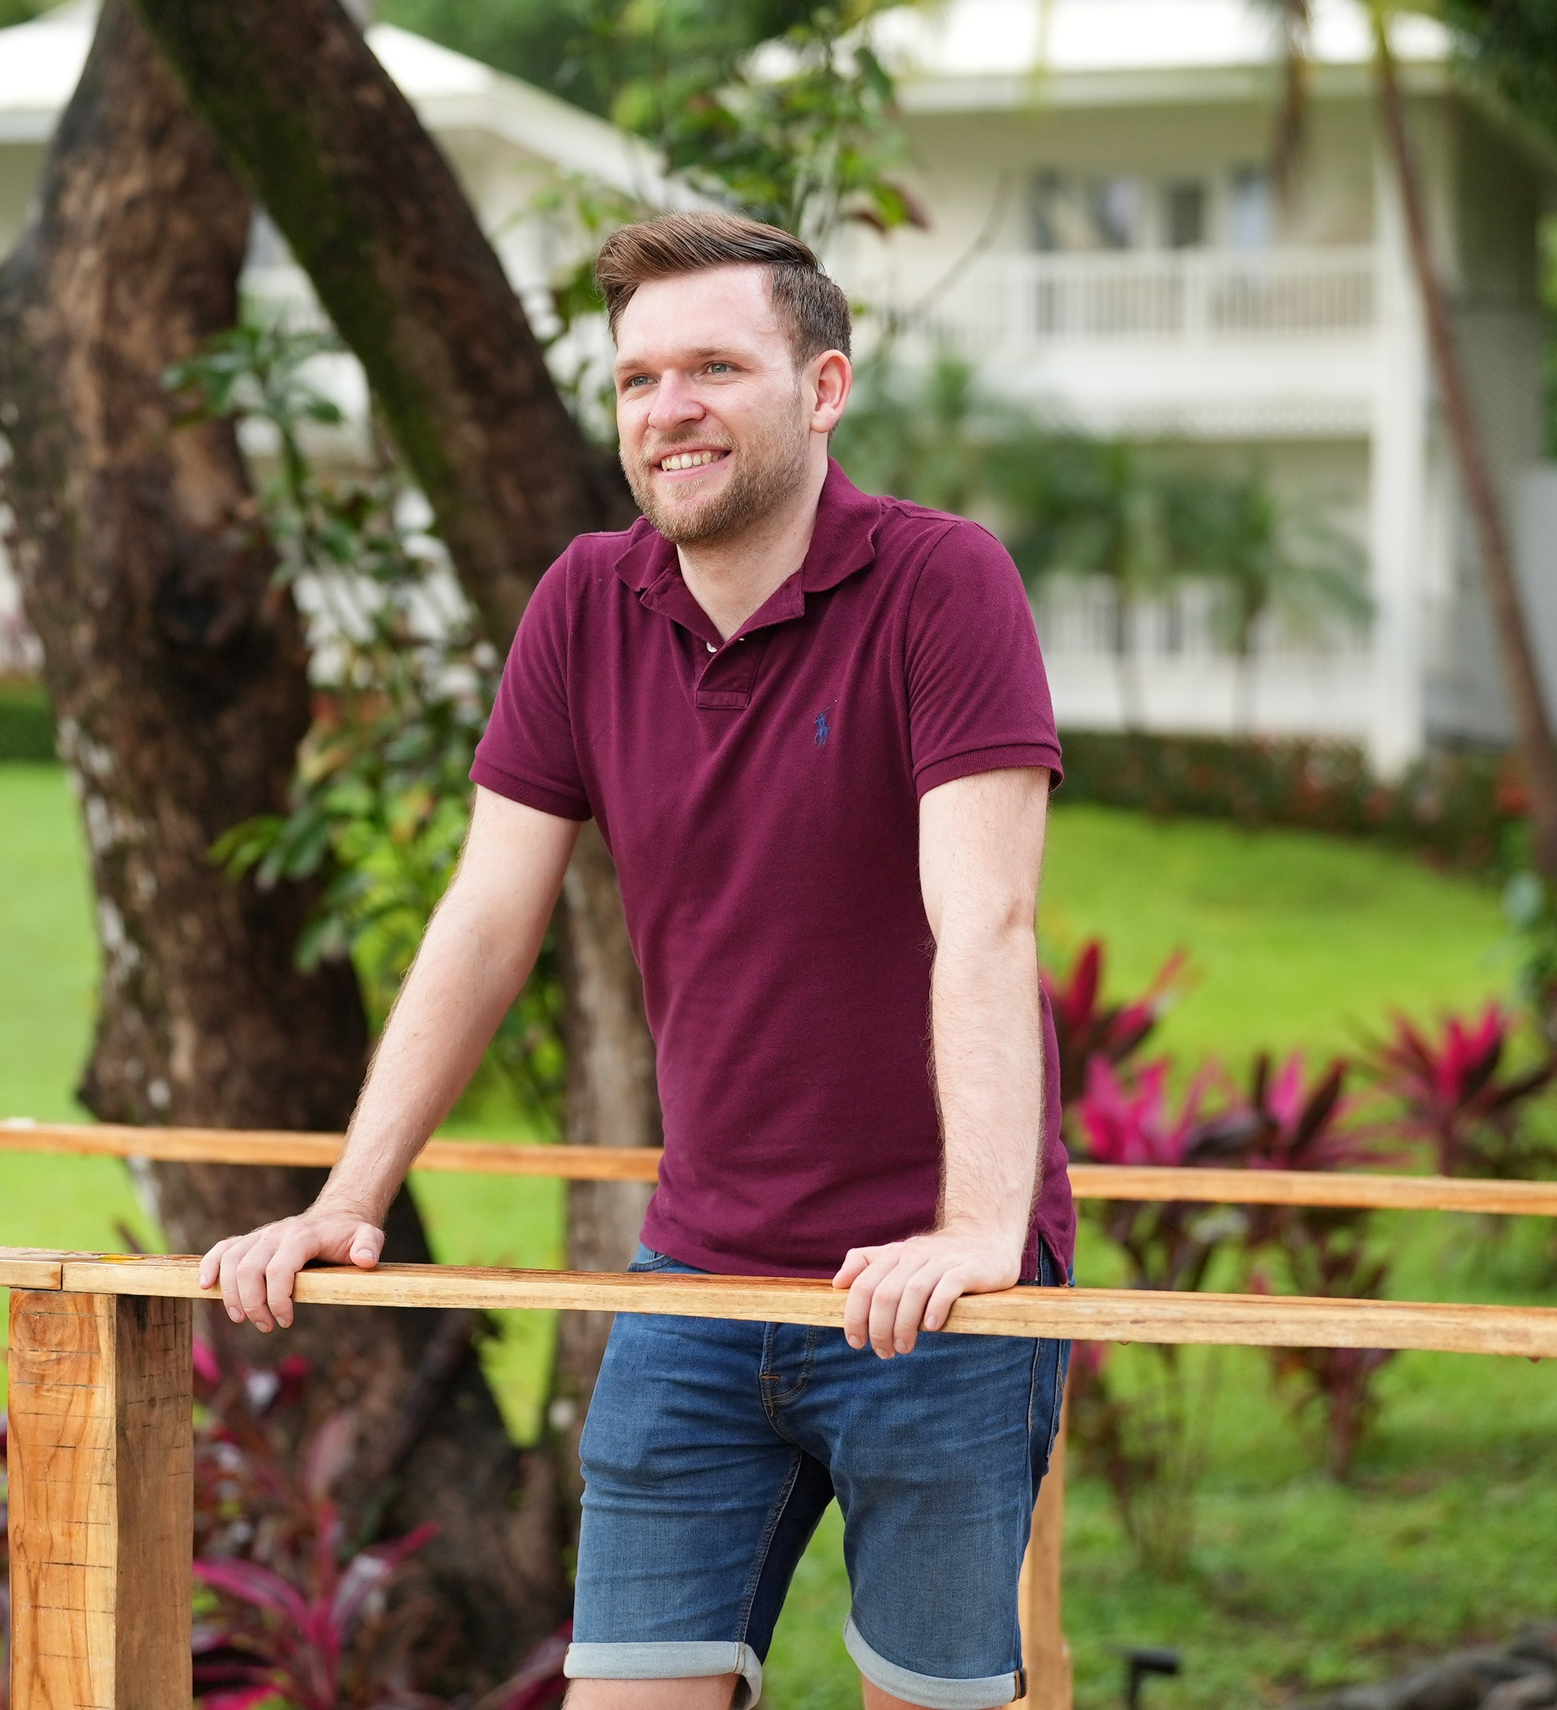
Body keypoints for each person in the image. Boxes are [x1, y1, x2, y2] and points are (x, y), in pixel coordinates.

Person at [200, 210, 1074, 1710]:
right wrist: (351, 1199)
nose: (668, 409)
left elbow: (982, 916)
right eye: (636, 378)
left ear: (823, 387)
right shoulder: (582, 606)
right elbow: (483, 920)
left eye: (716, 366)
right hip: (699, 1276)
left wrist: (978, 1230)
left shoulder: (943, 585)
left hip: (935, 1298)